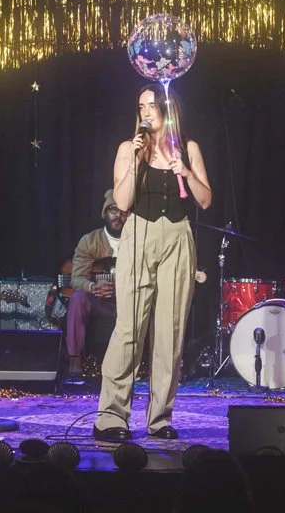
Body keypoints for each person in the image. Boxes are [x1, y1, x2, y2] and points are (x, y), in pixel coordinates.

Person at [93, 84, 212, 442]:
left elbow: (205, 200)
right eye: (140, 106)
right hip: (139, 235)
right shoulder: (128, 149)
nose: (145, 112)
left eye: (151, 105)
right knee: (129, 329)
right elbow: (122, 202)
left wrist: (185, 172)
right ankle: (111, 416)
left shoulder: (188, 148)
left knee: (170, 333)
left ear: (166, 107)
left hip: (177, 236)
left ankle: (159, 418)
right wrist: (135, 160)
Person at [65, 189, 128, 375]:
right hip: (101, 302)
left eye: (123, 211)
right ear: (104, 213)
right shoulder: (90, 241)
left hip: (129, 302)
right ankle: (74, 360)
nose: (118, 216)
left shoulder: (137, 241)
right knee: (78, 298)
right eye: (113, 210)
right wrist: (92, 287)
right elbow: (77, 278)